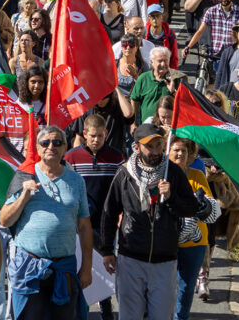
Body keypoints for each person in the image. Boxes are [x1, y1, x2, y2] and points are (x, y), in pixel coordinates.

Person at [100, 124, 202, 320]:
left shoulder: (172, 172)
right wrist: (106, 250)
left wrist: (171, 196)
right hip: (130, 258)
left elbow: (191, 208)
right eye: (150, 147)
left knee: (162, 316)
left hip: (165, 259)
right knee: (130, 316)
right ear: (136, 148)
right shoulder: (124, 174)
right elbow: (109, 212)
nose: (155, 151)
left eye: (159, 145)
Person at [1, 125, 92, 320]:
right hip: (29, 266)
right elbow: (5, 219)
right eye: (45, 142)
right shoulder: (24, 175)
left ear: (65, 148)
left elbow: (84, 227)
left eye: (57, 142)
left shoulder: (77, 181)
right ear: (38, 147)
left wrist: (86, 267)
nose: (51, 146)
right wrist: (24, 195)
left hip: (64, 267)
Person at [64, 115, 124, 320]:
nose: (96, 139)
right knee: (84, 267)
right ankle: (83, 310)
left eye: (100, 136)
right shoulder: (71, 158)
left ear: (106, 134)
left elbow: (122, 190)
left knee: (105, 266)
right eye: (92, 136)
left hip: (107, 221)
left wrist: (121, 214)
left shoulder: (117, 158)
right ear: (84, 135)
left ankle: (106, 310)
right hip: (81, 223)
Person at [168, 137, 220, 320]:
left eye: (184, 151)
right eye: (175, 150)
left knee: (187, 285)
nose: (180, 153)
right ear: (167, 152)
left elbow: (212, 207)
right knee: (165, 286)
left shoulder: (197, 176)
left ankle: (180, 317)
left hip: (195, 241)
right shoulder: (162, 176)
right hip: (166, 241)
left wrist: (202, 203)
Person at [121, 47, 177, 123]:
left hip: (169, 126)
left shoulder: (176, 78)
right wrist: (133, 124)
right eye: (160, 61)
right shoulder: (143, 78)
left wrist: (173, 92)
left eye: (166, 60)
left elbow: (186, 103)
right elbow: (134, 100)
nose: (163, 64)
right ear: (152, 62)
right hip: (147, 128)